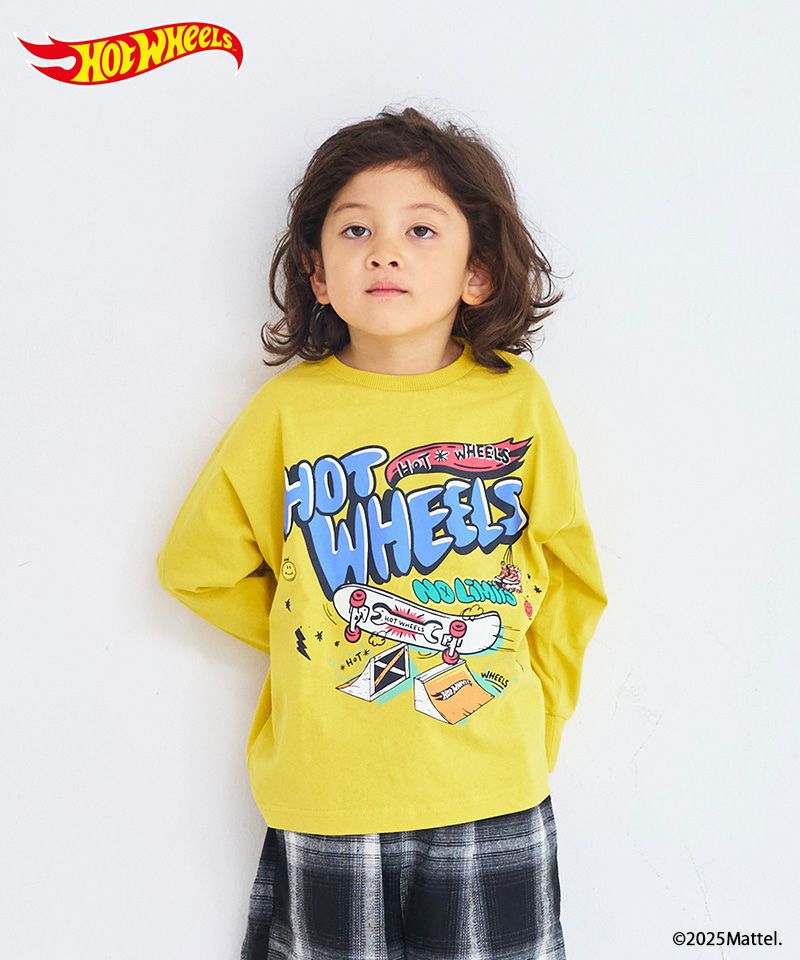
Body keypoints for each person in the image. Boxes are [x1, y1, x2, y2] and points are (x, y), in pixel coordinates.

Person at [155, 105, 609, 960]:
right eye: (355, 228)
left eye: (421, 229)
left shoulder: (515, 401)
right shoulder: (287, 412)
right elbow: (196, 568)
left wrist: (537, 719)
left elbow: (573, 577)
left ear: (478, 273)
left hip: (490, 785)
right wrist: (309, 633)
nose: (385, 251)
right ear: (319, 275)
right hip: (328, 792)